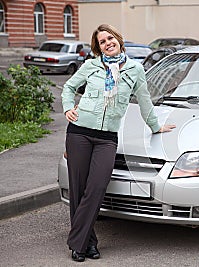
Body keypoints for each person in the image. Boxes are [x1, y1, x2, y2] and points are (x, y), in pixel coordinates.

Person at [61, 24, 175, 262]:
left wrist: (156, 126)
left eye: (110, 38)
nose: (107, 43)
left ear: (119, 40)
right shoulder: (91, 66)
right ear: (98, 47)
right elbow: (69, 87)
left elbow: (144, 101)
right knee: (79, 189)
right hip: (79, 132)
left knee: (97, 188)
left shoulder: (135, 69)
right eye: (102, 42)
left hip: (107, 139)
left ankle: (77, 241)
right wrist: (67, 109)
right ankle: (86, 244)